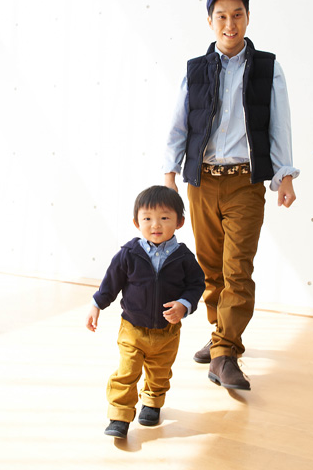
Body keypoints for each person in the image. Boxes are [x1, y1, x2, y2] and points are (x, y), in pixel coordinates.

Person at [163, 0, 300, 391]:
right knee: (211, 270)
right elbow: (179, 125)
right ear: (210, 22)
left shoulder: (268, 67)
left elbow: (279, 124)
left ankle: (225, 354)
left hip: (245, 183)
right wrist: (169, 176)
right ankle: (219, 331)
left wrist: (285, 175)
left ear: (247, 17)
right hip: (202, 182)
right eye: (221, 16)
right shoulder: (195, 70)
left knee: (238, 269)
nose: (230, 23)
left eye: (237, 15)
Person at [86, 185, 205, 439]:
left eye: (164, 218)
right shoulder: (129, 254)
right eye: (147, 218)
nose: (156, 225)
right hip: (133, 328)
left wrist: (184, 304)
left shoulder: (184, 257)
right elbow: (111, 283)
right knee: (127, 371)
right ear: (136, 222)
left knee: (160, 372)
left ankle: (152, 401)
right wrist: (96, 305)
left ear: (179, 222)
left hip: (167, 332)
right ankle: (119, 415)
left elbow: (196, 285)